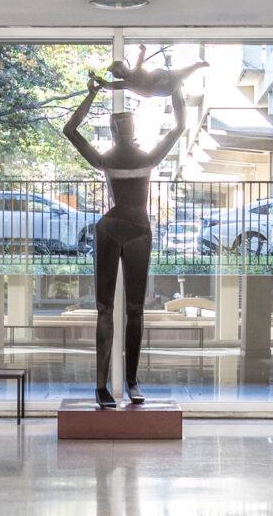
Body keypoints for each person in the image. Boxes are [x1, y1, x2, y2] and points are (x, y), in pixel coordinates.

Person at [63, 77, 188, 407]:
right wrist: (173, 87)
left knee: (132, 308)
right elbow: (180, 125)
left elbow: (71, 130)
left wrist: (91, 95)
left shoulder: (128, 159)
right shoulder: (135, 158)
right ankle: (106, 385)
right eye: (120, 125)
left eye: (125, 123)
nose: (123, 128)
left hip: (130, 230)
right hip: (121, 229)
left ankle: (128, 381)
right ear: (118, 131)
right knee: (111, 308)